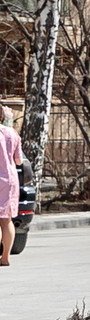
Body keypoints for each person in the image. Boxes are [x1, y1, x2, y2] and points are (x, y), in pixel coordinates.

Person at [0, 97, 21, 266]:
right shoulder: (12, 133)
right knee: (6, 219)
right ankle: (6, 257)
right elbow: (19, 160)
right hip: (10, 180)